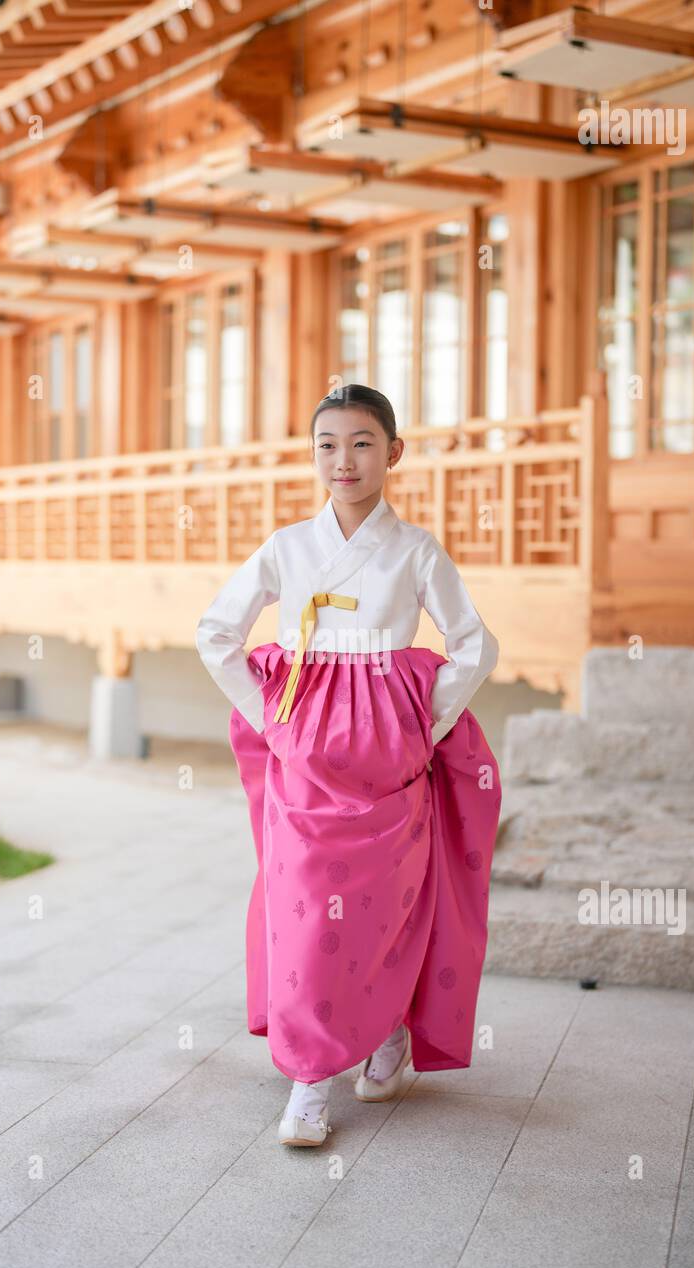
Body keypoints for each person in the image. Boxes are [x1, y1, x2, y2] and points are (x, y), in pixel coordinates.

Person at [196, 384, 501, 1148]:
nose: (344, 460)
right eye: (327, 444)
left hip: (391, 756)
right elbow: (216, 633)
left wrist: (427, 723)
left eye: (363, 443)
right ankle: (309, 1079)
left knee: (389, 910)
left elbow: (475, 643)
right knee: (303, 907)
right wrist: (269, 716)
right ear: (312, 455)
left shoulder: (416, 549)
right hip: (305, 753)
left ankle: (391, 1038)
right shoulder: (288, 546)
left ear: (393, 453)